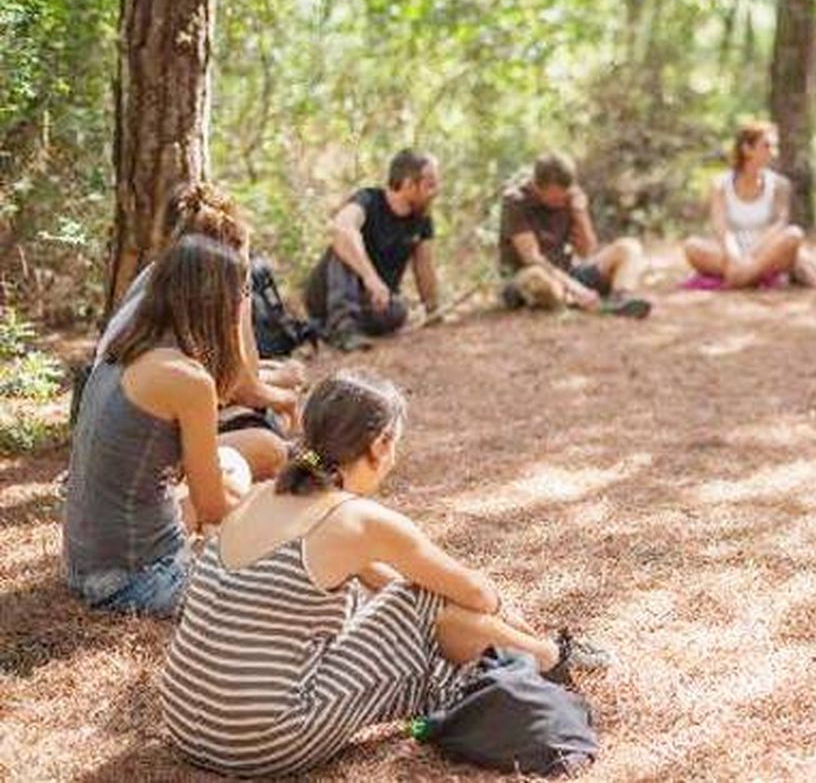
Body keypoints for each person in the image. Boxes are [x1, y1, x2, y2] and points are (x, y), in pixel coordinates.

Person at [160, 370, 606, 776]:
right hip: (259, 741)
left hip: (183, 721)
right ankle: (549, 657)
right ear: (379, 444)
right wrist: (473, 611)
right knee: (427, 599)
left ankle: (539, 655)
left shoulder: (261, 495)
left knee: (415, 596)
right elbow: (475, 593)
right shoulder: (357, 520)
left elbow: (377, 578)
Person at [64, 235, 255, 617]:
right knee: (288, 574)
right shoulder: (187, 379)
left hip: (81, 564)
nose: (243, 302)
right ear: (216, 300)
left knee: (233, 463)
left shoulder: (122, 347)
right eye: (243, 291)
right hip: (139, 580)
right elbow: (213, 508)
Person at [95, 182, 298, 478]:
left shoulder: (156, 276)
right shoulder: (208, 291)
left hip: (119, 431)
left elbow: (233, 378)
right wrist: (286, 399)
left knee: (273, 407)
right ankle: (303, 459)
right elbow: (241, 386)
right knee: (270, 444)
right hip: (143, 463)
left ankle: (301, 456)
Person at [305, 149, 443, 350]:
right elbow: (341, 228)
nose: (436, 191)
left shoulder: (421, 219)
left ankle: (330, 330)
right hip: (330, 295)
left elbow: (424, 268)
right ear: (408, 185)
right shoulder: (368, 200)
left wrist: (433, 310)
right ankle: (342, 328)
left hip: (371, 301)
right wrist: (371, 278)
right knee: (345, 243)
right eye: (430, 185)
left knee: (399, 311)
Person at [499, 151, 652, 318]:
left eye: (564, 197)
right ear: (537, 187)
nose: (560, 203)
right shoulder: (516, 201)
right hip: (530, 277)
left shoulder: (570, 196)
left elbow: (587, 252)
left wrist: (580, 214)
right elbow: (532, 257)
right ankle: (575, 301)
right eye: (555, 199)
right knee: (538, 278)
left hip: (567, 273)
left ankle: (619, 300)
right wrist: (575, 287)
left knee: (629, 248)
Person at [681, 122, 816, 291]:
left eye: (774, 147)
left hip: (767, 250)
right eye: (766, 146)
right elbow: (721, 227)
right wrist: (735, 256)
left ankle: (740, 277)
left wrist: (752, 255)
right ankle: (749, 275)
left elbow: (779, 225)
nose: (773, 153)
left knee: (794, 235)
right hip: (730, 251)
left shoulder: (780, 185)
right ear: (747, 149)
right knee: (691, 246)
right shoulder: (720, 184)